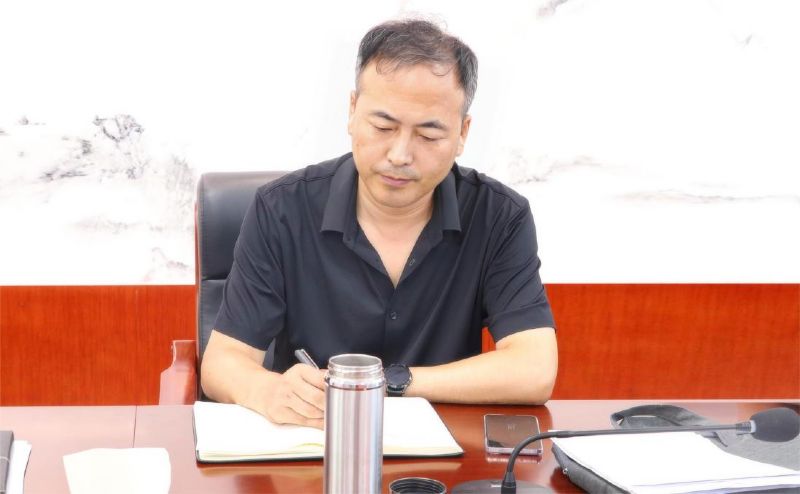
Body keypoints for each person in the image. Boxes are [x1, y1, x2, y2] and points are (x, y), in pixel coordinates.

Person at [201, 18, 557, 429]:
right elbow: (222, 363)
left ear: (462, 133)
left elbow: (534, 369)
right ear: (352, 111)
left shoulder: (498, 217)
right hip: (313, 440)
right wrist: (268, 391)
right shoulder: (281, 210)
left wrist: (384, 384)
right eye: (383, 127)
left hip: (443, 449)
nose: (400, 155)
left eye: (428, 135)